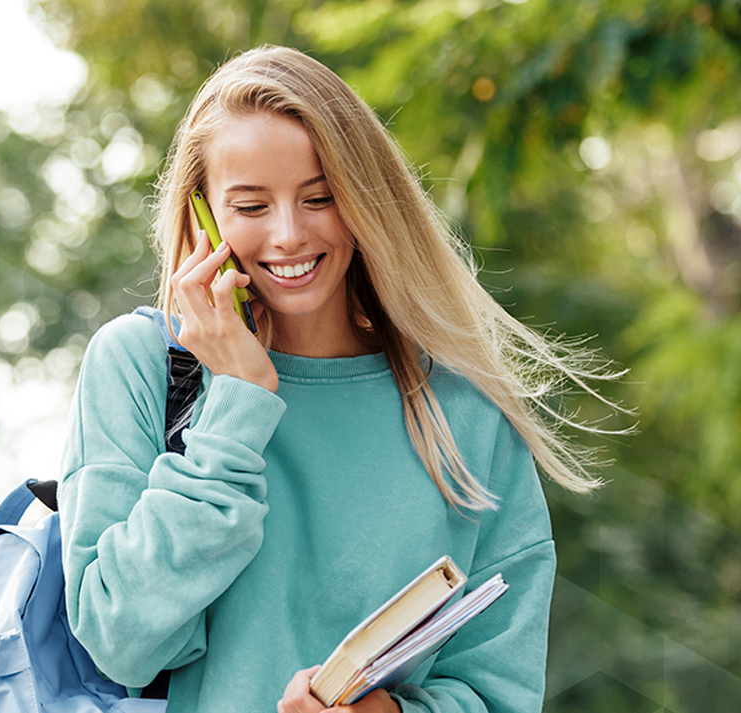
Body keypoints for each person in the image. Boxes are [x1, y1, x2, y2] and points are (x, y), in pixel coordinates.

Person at [58, 46, 619, 713]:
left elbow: (500, 693)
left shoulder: (466, 410)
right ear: (202, 216)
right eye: (251, 206)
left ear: (366, 199)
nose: (289, 234)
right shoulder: (141, 368)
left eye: (320, 198)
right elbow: (120, 638)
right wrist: (237, 405)